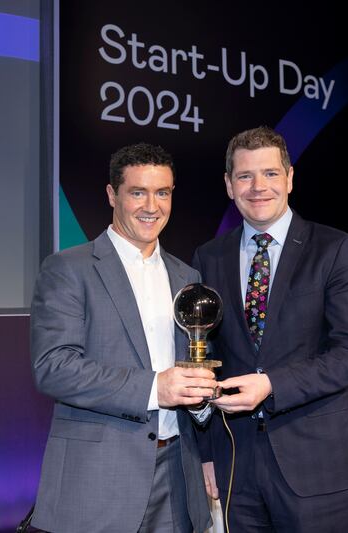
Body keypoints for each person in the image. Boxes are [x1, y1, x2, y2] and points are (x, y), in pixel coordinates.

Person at [30, 143, 217, 533]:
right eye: (138, 192)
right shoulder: (69, 269)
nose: (152, 206)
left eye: (162, 193)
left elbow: (194, 365)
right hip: (99, 481)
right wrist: (156, 388)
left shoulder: (187, 277)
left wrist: (201, 400)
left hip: (179, 478)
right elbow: (54, 368)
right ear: (112, 195)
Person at [193, 127, 348, 532]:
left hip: (317, 465)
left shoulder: (335, 249)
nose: (259, 187)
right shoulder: (208, 257)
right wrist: (205, 452)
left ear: (290, 177)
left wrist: (271, 383)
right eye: (245, 176)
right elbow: (203, 361)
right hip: (236, 461)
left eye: (271, 174)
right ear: (228, 184)